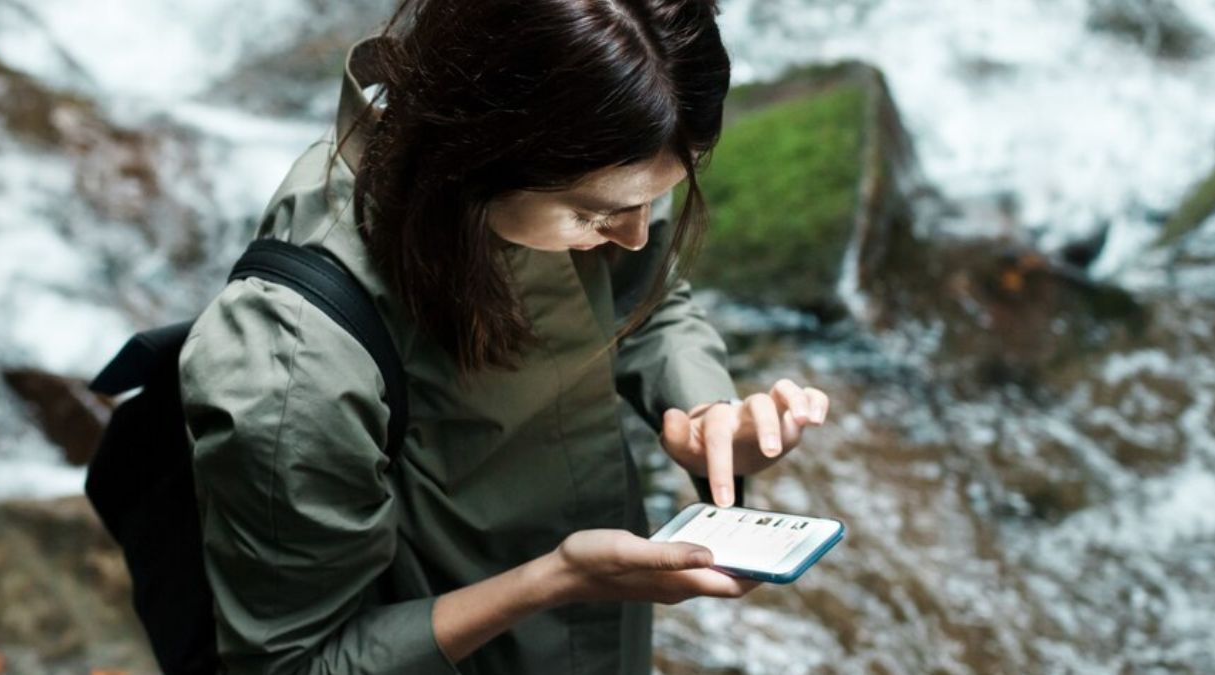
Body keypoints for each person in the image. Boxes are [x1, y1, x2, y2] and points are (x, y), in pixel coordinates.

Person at [177, 0, 831, 673]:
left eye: (654, 198)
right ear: (480, 155)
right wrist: (556, 580)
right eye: (599, 216)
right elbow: (296, 663)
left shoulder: (589, 145)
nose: (637, 235)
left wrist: (702, 412)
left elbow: (647, 302)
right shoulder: (296, 365)